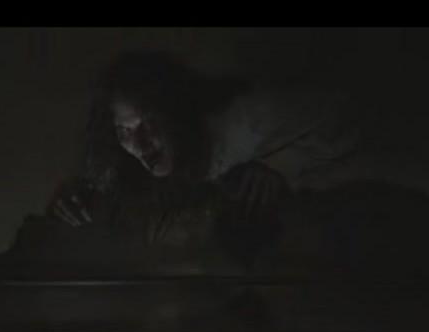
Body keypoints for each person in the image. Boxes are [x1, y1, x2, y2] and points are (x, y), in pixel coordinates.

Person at [49, 51, 362, 234]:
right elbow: (111, 191)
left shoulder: (246, 121)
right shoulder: (137, 167)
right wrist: (74, 195)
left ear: (174, 110)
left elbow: (343, 112)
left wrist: (277, 165)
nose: (139, 144)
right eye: (124, 131)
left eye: (148, 123)